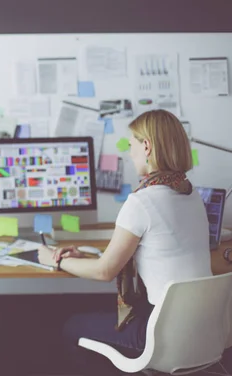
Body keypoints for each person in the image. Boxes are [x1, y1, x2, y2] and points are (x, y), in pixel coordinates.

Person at [38, 109, 212, 374]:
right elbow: (151, 251)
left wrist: (56, 260)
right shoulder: (192, 195)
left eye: (131, 145)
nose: (129, 154)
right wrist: (86, 256)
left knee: (71, 326)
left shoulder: (142, 202)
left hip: (162, 337)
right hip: (202, 331)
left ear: (146, 146)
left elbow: (105, 271)